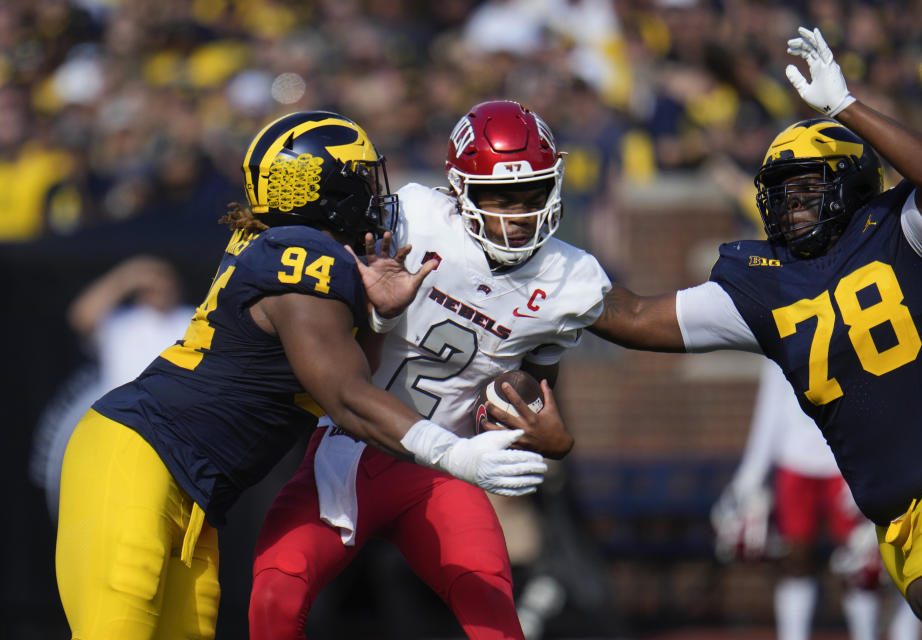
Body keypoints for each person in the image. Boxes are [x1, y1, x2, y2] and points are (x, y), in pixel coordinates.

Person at [54, 110, 550, 639]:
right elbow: (345, 396)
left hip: (190, 488)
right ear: (322, 185)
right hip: (139, 458)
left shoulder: (290, 249)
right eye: (358, 177)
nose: (370, 192)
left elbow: (353, 371)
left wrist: (380, 317)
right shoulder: (302, 253)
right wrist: (453, 452)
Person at [584, 26, 922, 637]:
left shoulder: (908, 232)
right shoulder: (763, 284)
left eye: (809, 190)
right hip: (895, 509)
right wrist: (535, 278)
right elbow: (631, 317)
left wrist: (847, 107)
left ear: (854, 184)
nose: (792, 209)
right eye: (781, 196)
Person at [248, 100, 612, 639]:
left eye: (531, 193)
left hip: (445, 471)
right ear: (459, 191)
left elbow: (530, 388)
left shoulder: (573, 279)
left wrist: (541, 431)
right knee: (276, 593)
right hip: (352, 449)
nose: (516, 213)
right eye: (498, 197)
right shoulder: (410, 218)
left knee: (493, 614)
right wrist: (371, 311)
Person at [712, 358, 921, 640]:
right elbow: (770, 406)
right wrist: (750, 477)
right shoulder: (781, 324)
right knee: (794, 558)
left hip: (845, 461)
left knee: (861, 564)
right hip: (794, 460)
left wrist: (870, 461)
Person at [30, 255, 194, 519]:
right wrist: (127, 277)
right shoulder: (120, 322)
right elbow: (80, 316)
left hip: (173, 440)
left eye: (164, 278)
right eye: (151, 279)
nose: (158, 285)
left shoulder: (190, 320)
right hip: (120, 434)